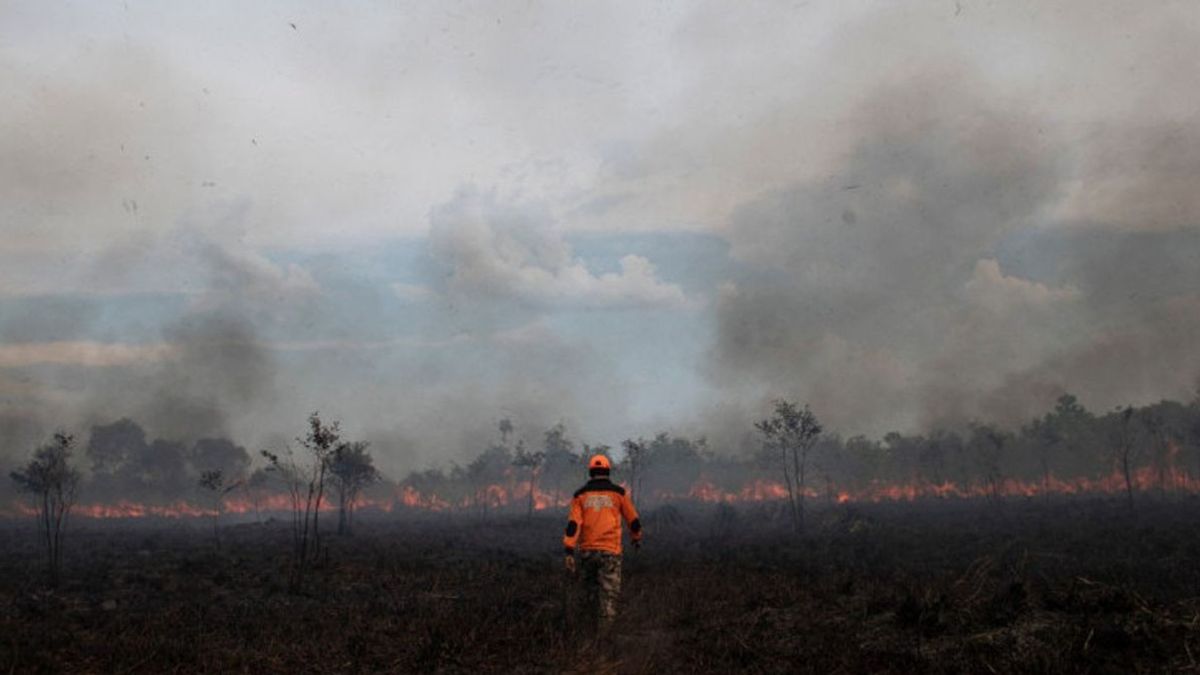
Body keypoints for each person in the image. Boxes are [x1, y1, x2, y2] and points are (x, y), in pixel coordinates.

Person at [562, 453, 642, 631]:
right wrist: (636, 539)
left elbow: (573, 525)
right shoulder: (618, 493)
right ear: (608, 471)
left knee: (588, 594)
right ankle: (605, 639)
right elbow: (634, 521)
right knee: (608, 597)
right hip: (611, 553)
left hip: (587, 553)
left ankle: (585, 635)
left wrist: (569, 550)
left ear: (591, 472)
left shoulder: (580, 495)